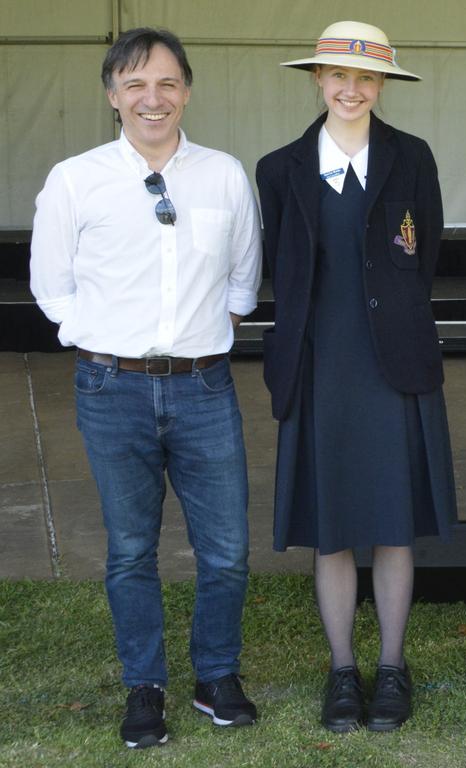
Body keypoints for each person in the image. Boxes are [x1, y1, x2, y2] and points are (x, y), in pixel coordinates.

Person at [29, 28, 261, 748]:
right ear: (112, 97)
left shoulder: (224, 174)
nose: (151, 99)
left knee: (225, 549)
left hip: (203, 388)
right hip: (112, 389)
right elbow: (51, 287)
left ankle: (216, 676)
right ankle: (145, 686)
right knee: (131, 548)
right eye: (135, 85)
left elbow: (243, 280)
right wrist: (105, 339)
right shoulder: (76, 178)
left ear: (186, 90)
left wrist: (191, 340)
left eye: (166, 84)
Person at [256, 21, 456, 734]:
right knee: (333, 528)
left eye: (365, 78)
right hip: (320, 366)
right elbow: (283, 267)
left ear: (381, 86)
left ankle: (393, 668)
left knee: (394, 526)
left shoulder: (412, 159)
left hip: (394, 363)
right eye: (337, 76)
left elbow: (421, 254)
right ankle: (343, 671)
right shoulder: (279, 169)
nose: (351, 89)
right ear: (316, 79)